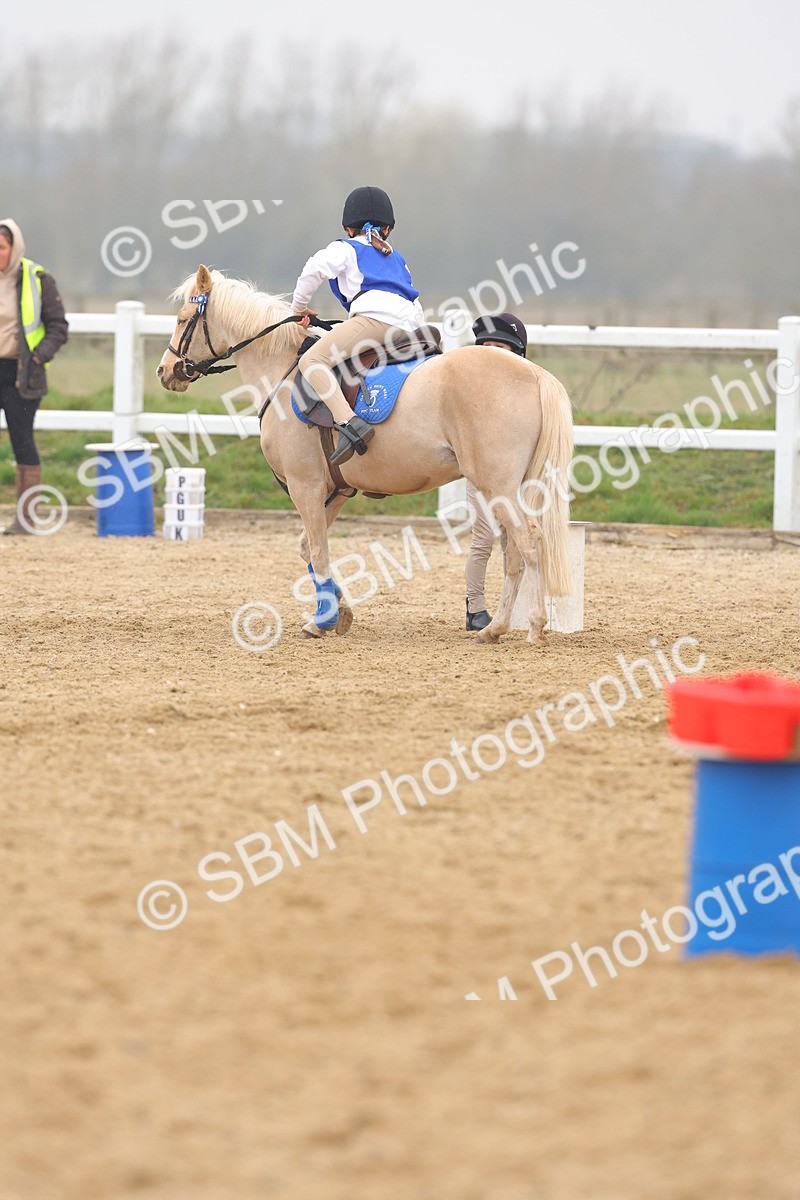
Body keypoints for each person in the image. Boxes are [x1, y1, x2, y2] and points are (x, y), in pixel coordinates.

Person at [290, 186, 425, 465]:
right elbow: (412, 295)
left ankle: (349, 422)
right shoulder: (398, 258)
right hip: (411, 325)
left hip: (375, 321)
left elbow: (313, 269)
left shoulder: (345, 248)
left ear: (349, 227)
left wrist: (298, 309)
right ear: (387, 228)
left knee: (313, 360)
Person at [0, 219, 68, 535]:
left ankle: (26, 519)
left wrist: (38, 356)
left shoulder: (37, 278)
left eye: (1, 248)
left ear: (14, 248)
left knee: (22, 441)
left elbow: (58, 327)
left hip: (22, 374)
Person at [465, 312, 528, 631]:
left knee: (512, 540)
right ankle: (474, 607)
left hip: (512, 476)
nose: (491, 354)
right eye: (486, 347)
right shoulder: (473, 393)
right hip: (481, 475)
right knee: (483, 537)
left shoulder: (523, 397)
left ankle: (510, 606)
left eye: (499, 348)